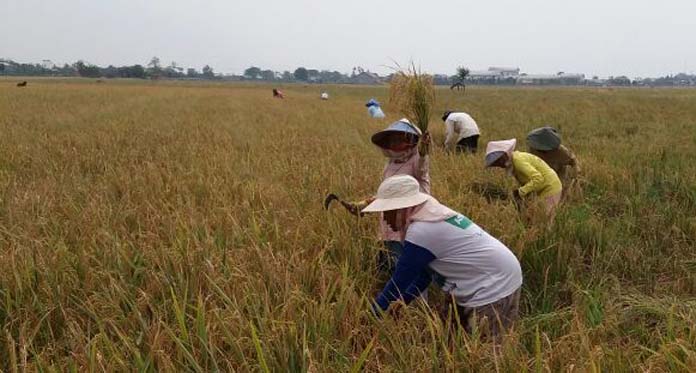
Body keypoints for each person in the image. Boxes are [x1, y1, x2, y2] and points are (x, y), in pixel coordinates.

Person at [363, 175, 523, 338]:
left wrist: (369, 318)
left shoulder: (422, 230)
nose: (384, 219)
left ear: (401, 208)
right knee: (449, 337)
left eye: (387, 212)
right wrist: (401, 304)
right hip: (495, 273)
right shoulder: (431, 215)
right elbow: (424, 276)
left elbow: (398, 283)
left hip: (494, 285)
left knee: (485, 350)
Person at [349, 119, 431, 275]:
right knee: (388, 246)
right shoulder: (390, 164)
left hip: (411, 215)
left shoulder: (417, 160)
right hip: (390, 215)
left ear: (412, 141)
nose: (396, 142)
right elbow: (388, 192)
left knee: (406, 252)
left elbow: (422, 168)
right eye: (393, 139)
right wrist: (364, 205)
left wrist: (424, 150)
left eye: (401, 138)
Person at [485, 139, 562, 216]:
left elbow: (538, 178)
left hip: (550, 186)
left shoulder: (518, 161)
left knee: (544, 217)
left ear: (505, 155)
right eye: (496, 163)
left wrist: (520, 192)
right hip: (542, 189)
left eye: (499, 161)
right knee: (534, 215)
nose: (499, 165)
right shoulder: (513, 163)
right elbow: (528, 181)